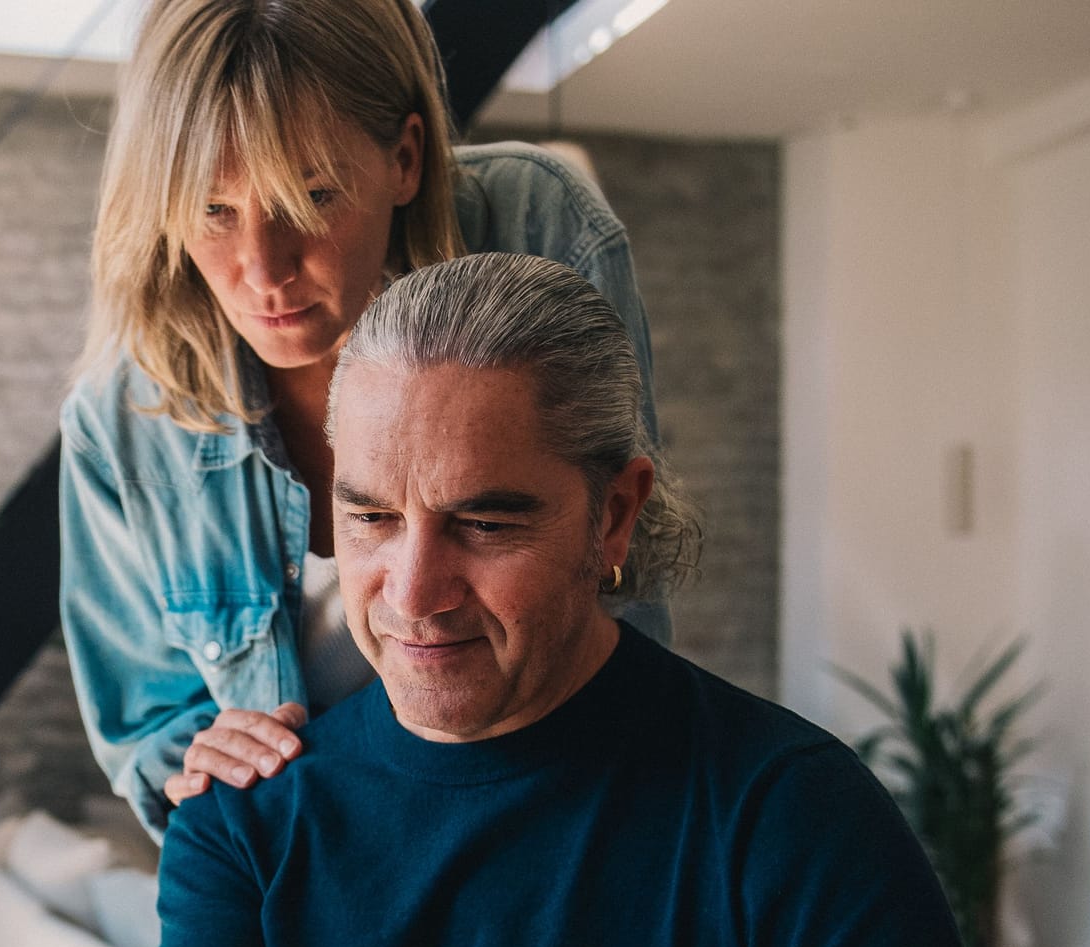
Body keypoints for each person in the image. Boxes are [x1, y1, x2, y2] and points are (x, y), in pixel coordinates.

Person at [108, 255, 1090, 947]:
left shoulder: (787, 812)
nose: (413, 590)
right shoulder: (251, 812)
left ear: (614, 513)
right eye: (372, 517)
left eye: (484, 521)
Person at [60, 0, 668, 838]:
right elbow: (149, 736)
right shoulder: (120, 422)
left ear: (405, 158)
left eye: (310, 197)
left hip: (553, 825)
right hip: (314, 871)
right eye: (212, 210)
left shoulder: (536, 226)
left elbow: (621, 590)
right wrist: (203, 766)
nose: (264, 272)